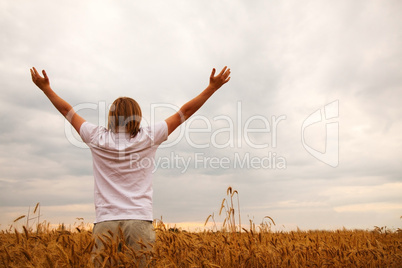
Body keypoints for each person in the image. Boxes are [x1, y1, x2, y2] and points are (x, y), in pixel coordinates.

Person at [30, 66, 231, 264]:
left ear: (112, 116)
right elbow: (184, 112)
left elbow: (67, 110)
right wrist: (212, 88)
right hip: (139, 220)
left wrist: (46, 88)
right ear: (137, 115)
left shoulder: (95, 137)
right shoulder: (149, 136)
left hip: (105, 222)